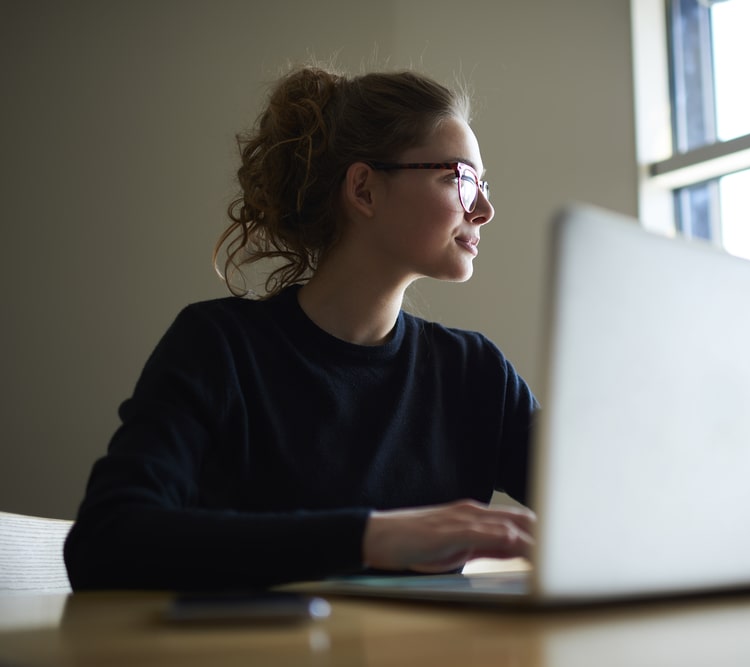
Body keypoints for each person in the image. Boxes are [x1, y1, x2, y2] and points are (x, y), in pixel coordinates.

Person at [63, 65, 538, 590]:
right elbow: (106, 541)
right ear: (364, 189)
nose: (485, 209)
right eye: (461, 178)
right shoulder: (219, 348)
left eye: (483, 183)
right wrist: (371, 538)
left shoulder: (476, 375)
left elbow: (614, 509)